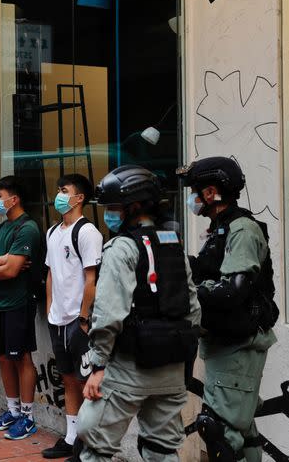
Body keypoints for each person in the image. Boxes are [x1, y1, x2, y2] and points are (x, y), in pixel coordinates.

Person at [76, 165, 201, 462]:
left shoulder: (121, 247)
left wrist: (97, 366)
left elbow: (108, 313)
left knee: (93, 445)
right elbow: (193, 307)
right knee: (162, 449)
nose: (110, 213)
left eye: (114, 207)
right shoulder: (173, 243)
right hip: (172, 368)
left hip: (128, 370)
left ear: (134, 207)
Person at [178, 157, 278, 462]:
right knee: (240, 430)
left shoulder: (242, 230)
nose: (193, 198)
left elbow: (233, 291)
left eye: (196, 191)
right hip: (225, 342)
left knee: (219, 431)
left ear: (211, 193)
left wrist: (191, 289)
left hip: (239, 344)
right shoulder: (222, 230)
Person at [41, 174, 103, 459]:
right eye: (58, 190)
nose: (59, 196)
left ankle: (87, 443)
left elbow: (91, 278)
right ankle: (70, 437)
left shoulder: (88, 232)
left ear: (80, 198)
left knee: (84, 381)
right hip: (57, 319)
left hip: (79, 322)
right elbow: (51, 272)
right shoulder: (53, 231)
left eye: (64, 191)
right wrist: (51, 306)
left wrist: (84, 316)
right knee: (67, 379)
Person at [0, 176, 42, 441]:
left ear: (13, 199)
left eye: (0, 195)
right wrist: (3, 262)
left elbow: (12, 270)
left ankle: (27, 417)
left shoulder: (27, 228)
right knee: (3, 357)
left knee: (21, 357)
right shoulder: (2, 227)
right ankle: (13, 410)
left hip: (19, 303)